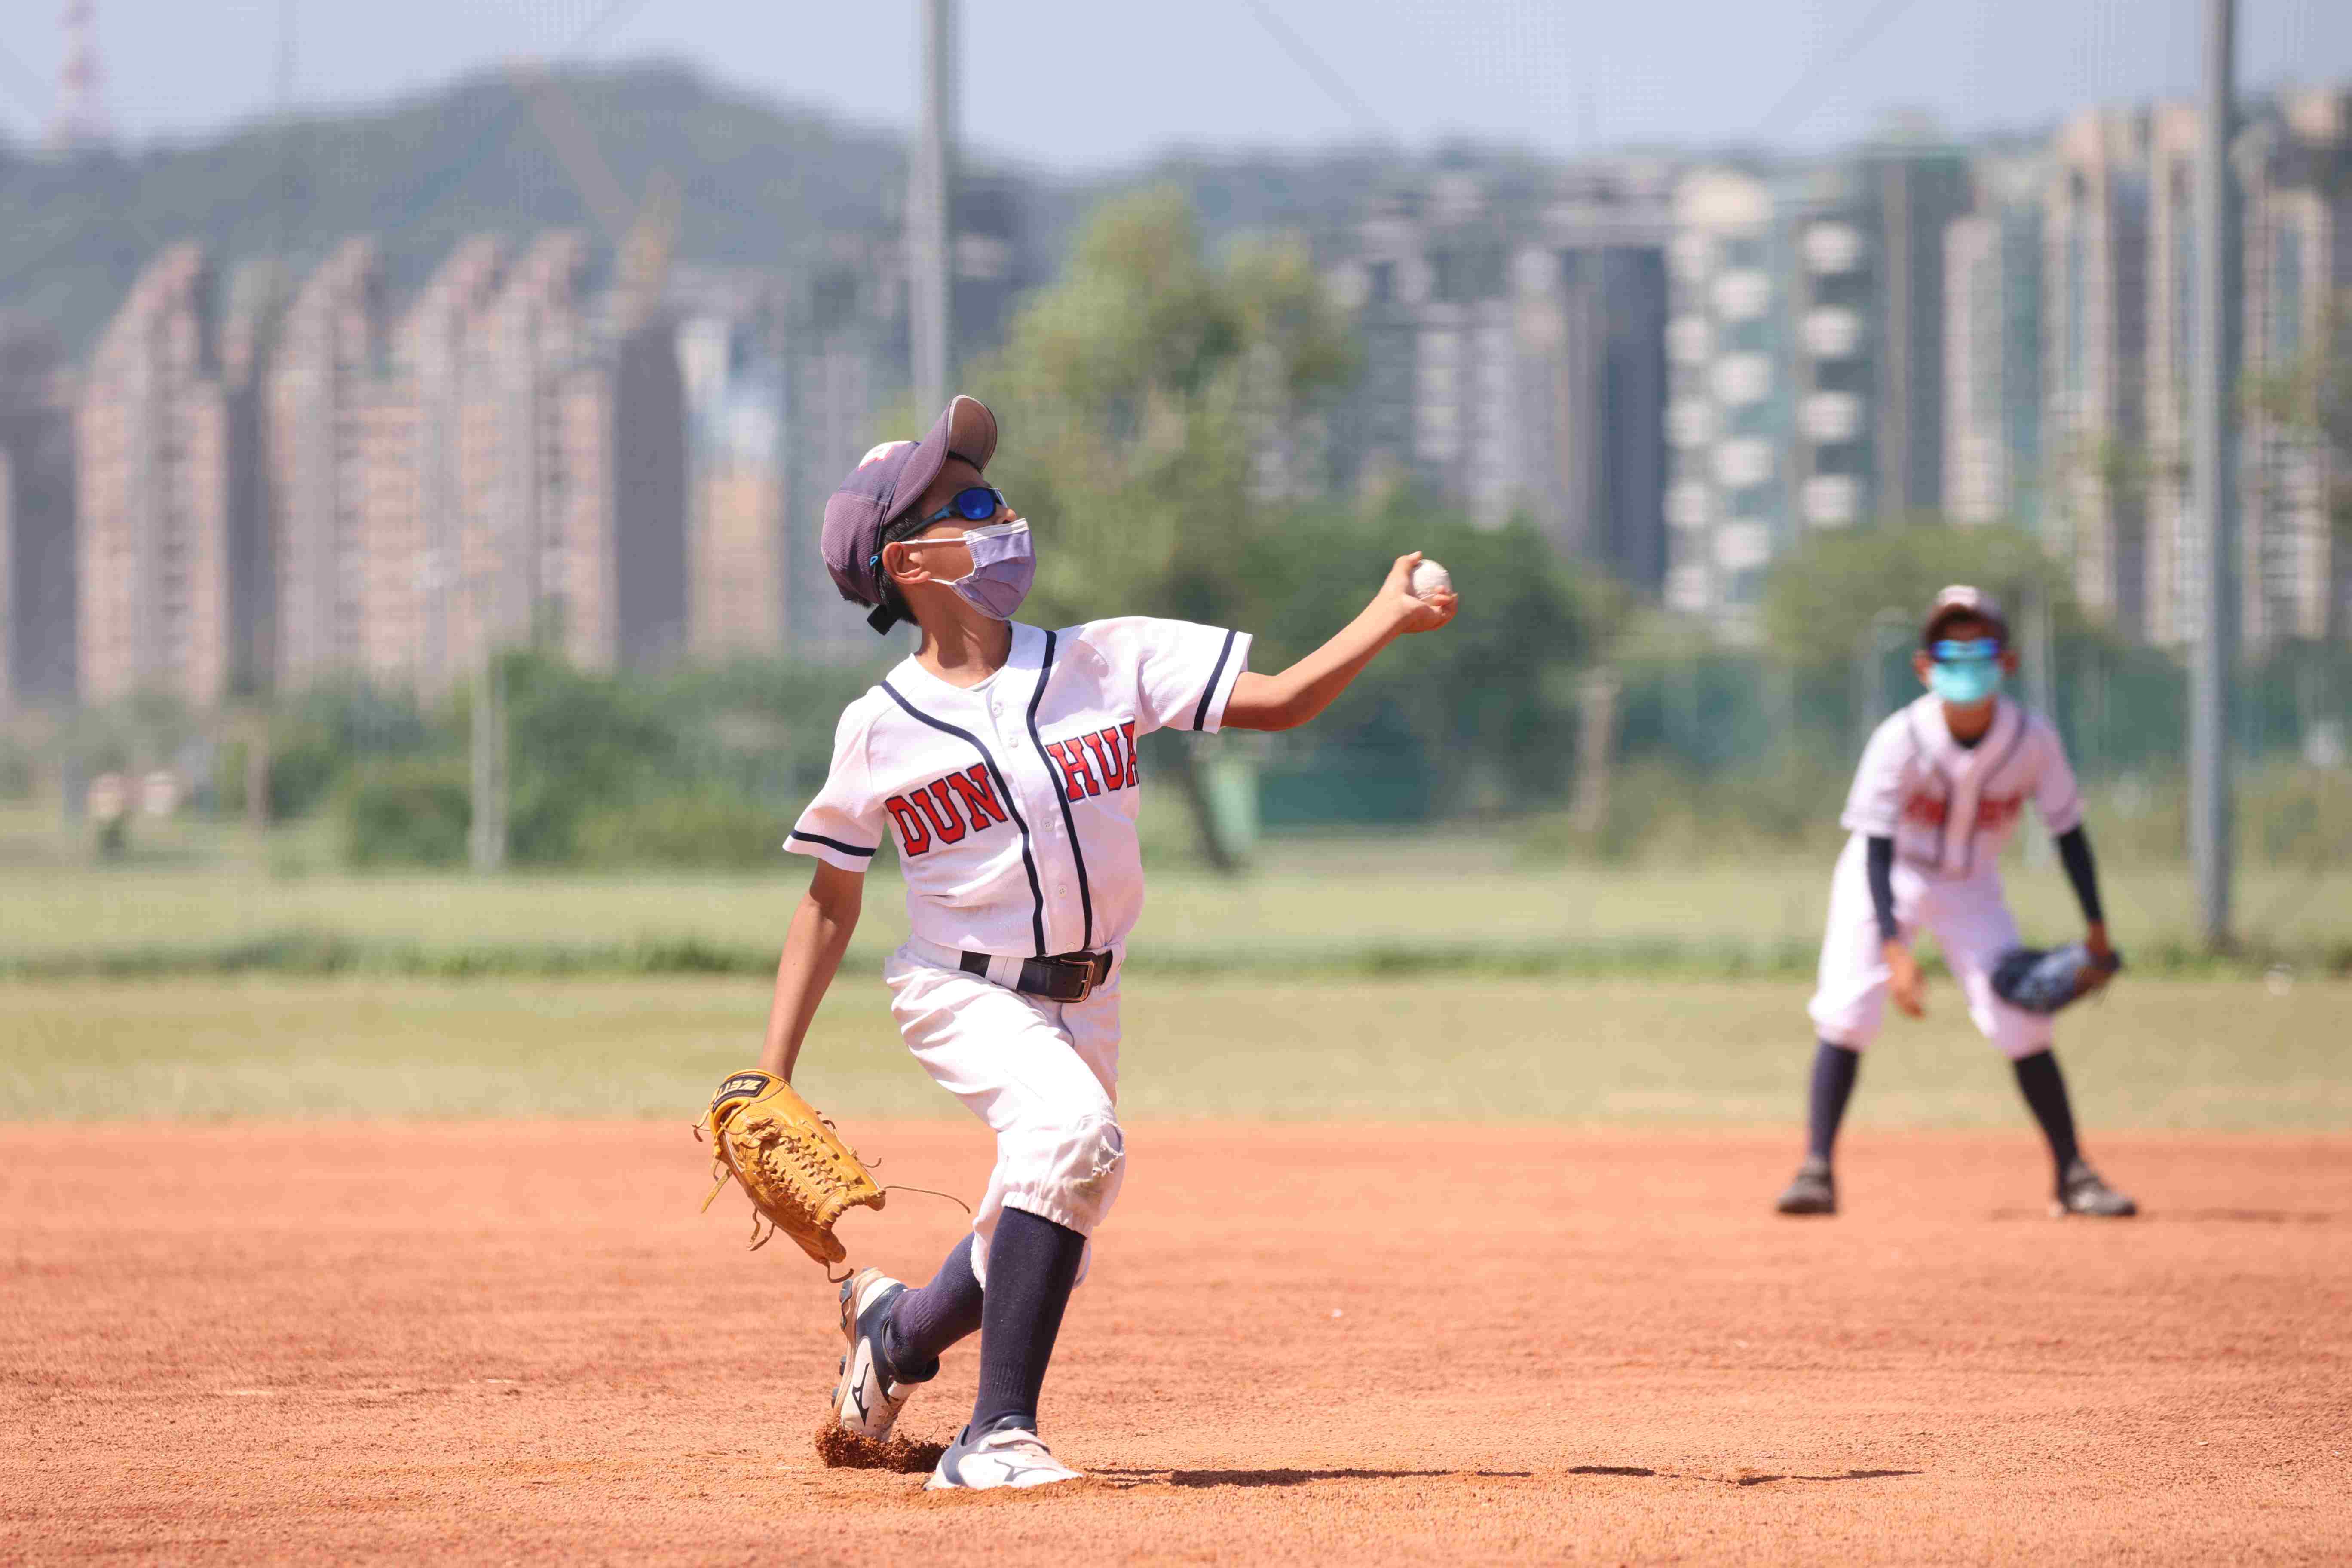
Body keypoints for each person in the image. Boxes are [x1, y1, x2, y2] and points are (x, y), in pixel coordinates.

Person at [767, 395, 1456, 1490]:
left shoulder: (1105, 658)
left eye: (994, 496)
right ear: (906, 561)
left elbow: (1278, 702)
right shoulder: (880, 727)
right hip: (961, 989)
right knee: (1075, 1141)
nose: (1001, 517)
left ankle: (892, 1338)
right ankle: (994, 1439)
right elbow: (829, 903)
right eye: (968, 507)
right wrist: (775, 1072)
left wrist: (1384, 617)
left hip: (1089, 996)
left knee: (1049, 1223)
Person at [1775, 585, 2137, 1220]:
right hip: (1887, 874)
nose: (1966, 662)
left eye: (1980, 649)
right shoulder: (1900, 738)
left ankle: (2073, 1176)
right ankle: (1816, 1171)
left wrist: (2097, 929)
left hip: (1972, 884)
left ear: (2007, 662)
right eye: (1951, 650)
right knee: (1849, 1012)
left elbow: (2069, 834)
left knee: (2020, 1021)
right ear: (1925, 666)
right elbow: (1877, 847)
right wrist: (1895, 949)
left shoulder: (2032, 740)